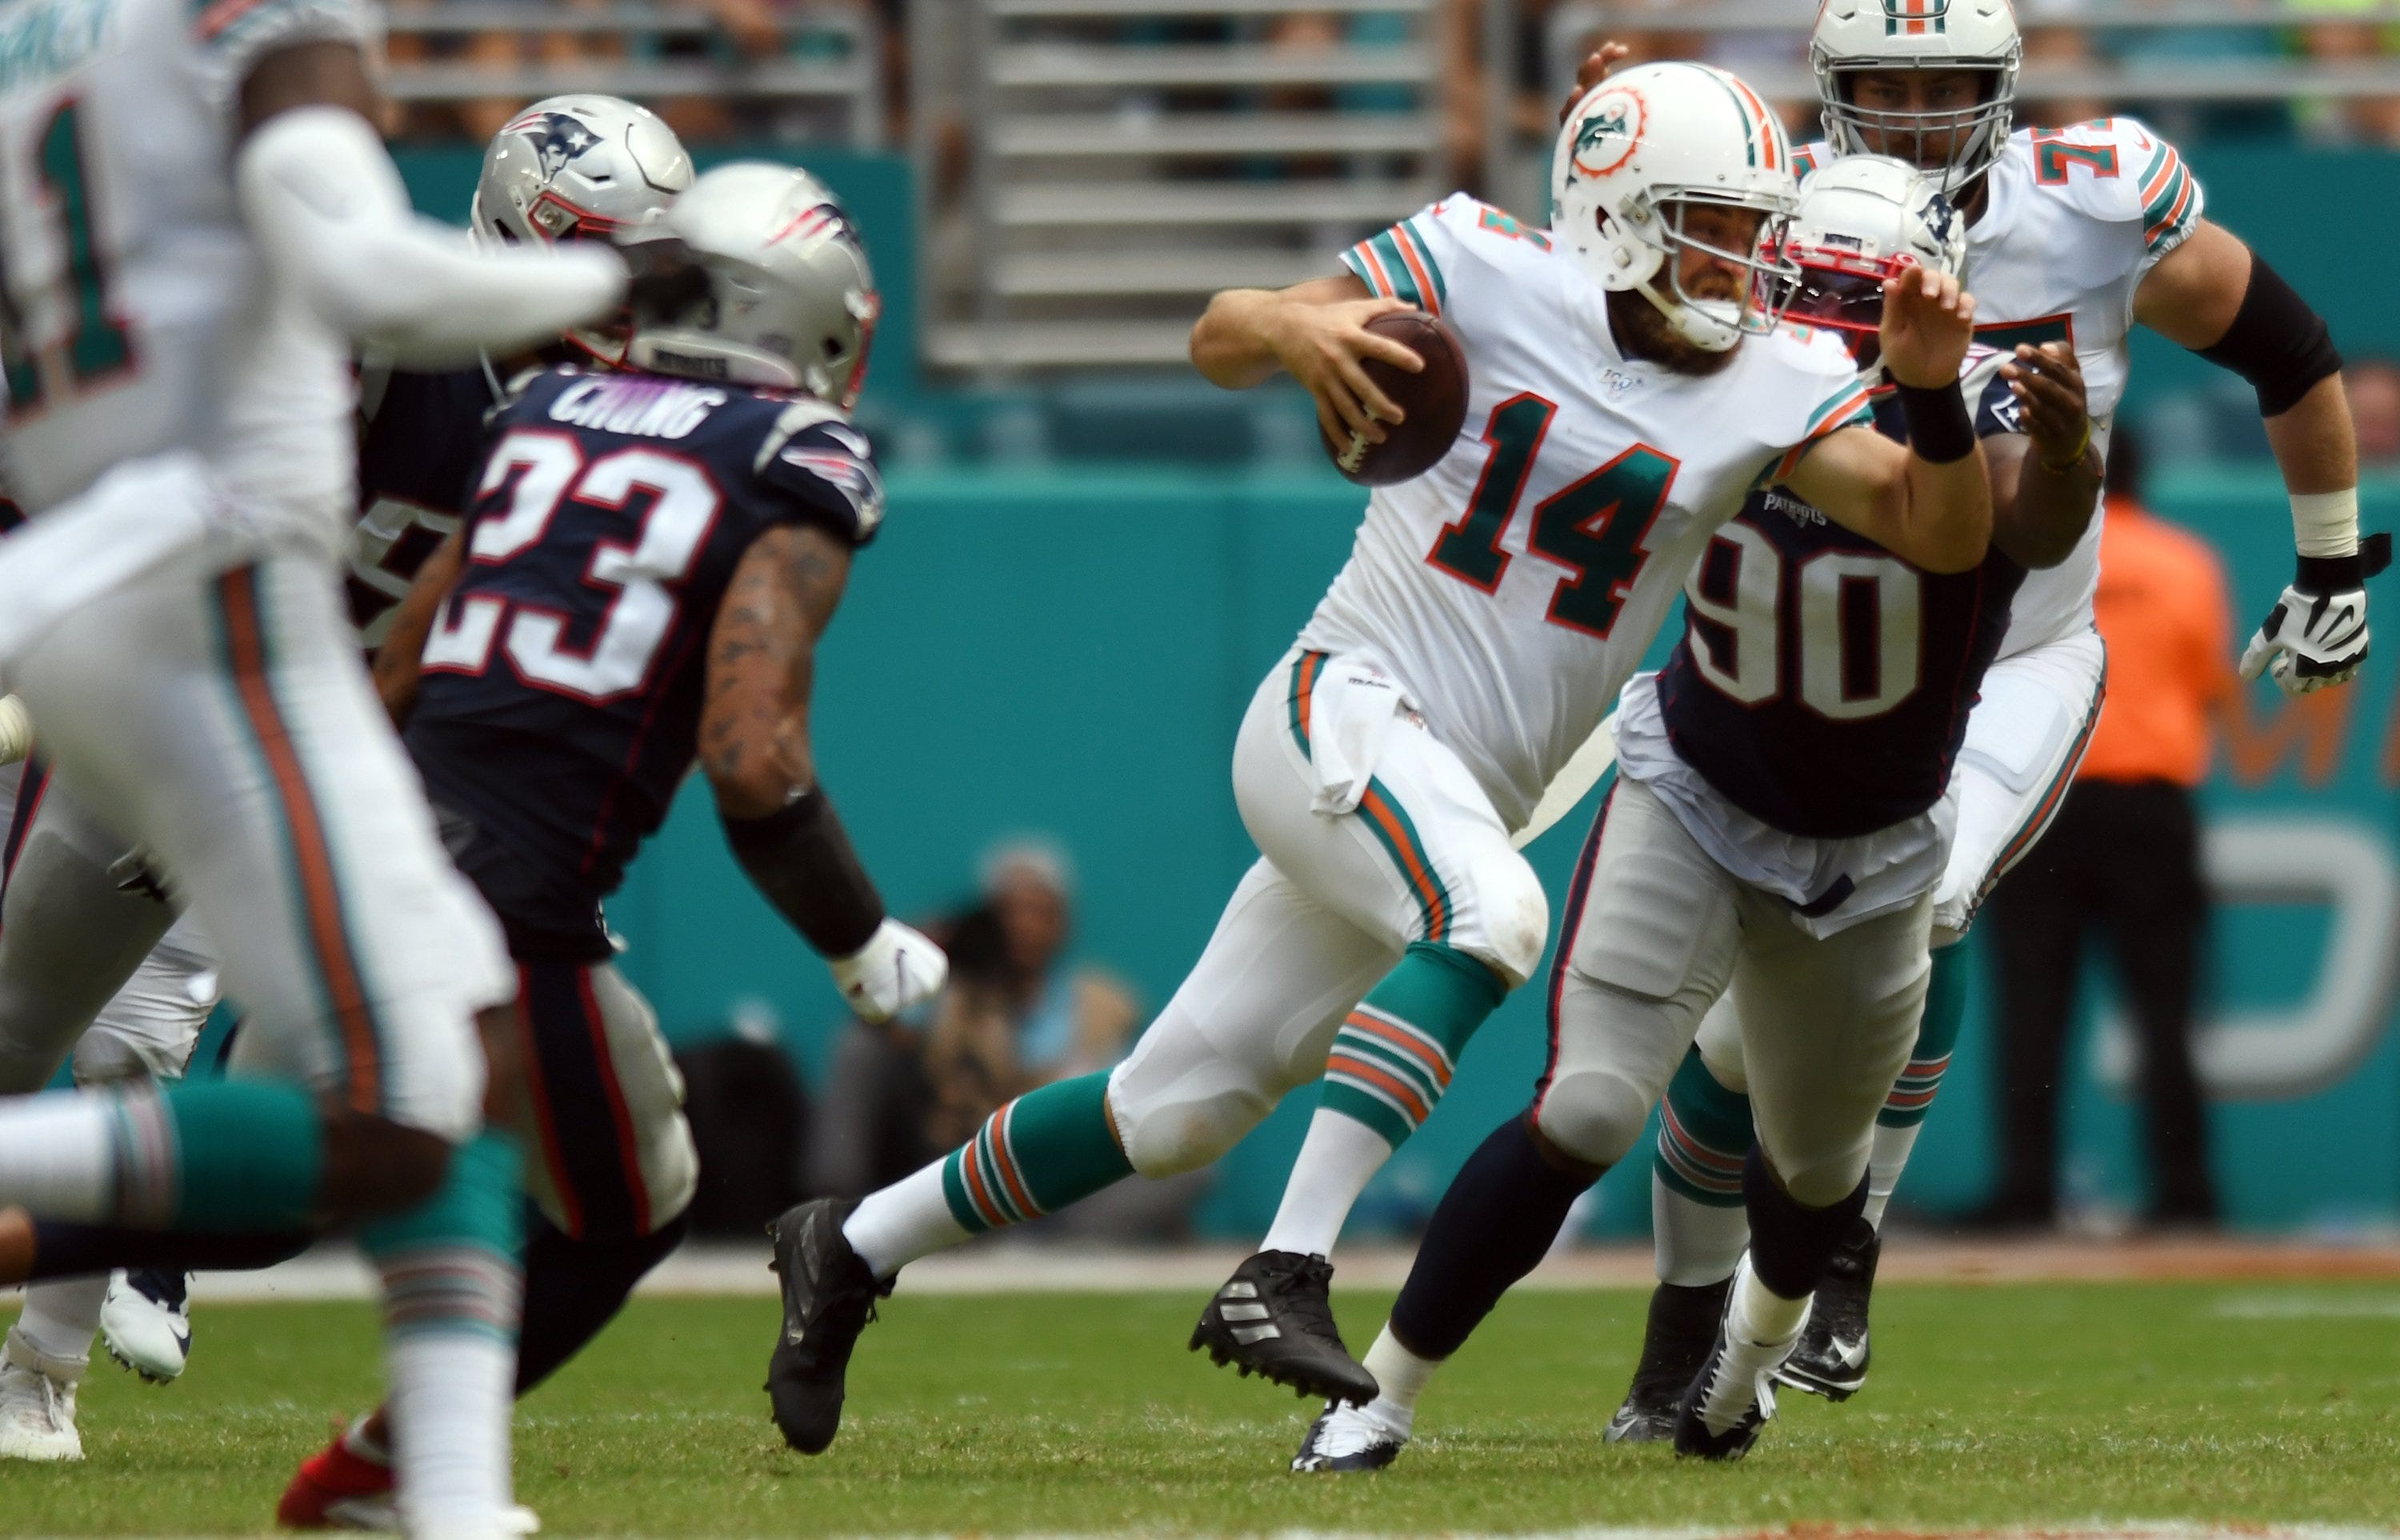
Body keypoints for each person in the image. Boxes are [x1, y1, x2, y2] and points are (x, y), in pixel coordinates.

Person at [758, 58, 1994, 1454]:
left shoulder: (1780, 376)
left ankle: (850, 1244)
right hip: (1341, 707)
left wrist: (1939, 400)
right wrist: (1297, 331)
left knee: (1175, 1109)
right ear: (1617, 214)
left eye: (1751, 224)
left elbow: (1937, 531)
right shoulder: (1478, 261)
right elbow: (1223, 331)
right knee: (1496, 918)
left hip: (1461, 790)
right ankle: (1286, 1268)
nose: (1744, 256)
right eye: (1711, 221)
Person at [1553, 0, 2383, 1420]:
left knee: (1927, 903)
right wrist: (1611, 150)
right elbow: (1608, 302)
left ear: (2006, 89)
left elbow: (2293, 354)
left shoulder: (2097, 200)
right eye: (1891, 83)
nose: (1925, 110)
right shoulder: (1778, 201)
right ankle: (1683, 1317)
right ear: (1833, 90)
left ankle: (1846, 1254)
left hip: (2020, 657)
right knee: (1738, 1040)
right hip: (1822, 664)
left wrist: (2331, 558)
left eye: (1952, 83)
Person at [1294, 153, 2103, 1472]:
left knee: (1820, 1171)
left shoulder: (1983, 389)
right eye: (1795, 272)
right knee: (1590, 1109)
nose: (1799, 307)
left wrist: (2007, 422)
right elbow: (1583, 305)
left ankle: (1742, 1366)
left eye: (1846, 290)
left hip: (1873, 847)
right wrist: (1594, 140)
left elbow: (2020, 517)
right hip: (1696, 782)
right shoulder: (1731, 363)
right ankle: (1377, 1394)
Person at [0, 1, 628, 1531]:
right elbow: (366, 275)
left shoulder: (89, 62)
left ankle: (421, 1489)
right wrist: (635, 273)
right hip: (214, 630)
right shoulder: (280, 43)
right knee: (404, 1079)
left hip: (202, 639)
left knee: (405, 1062)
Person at [278, 162, 946, 1529]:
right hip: (514, 901)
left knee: (564, 1180)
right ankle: (395, 1474)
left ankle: (388, 1470)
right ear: (812, 317)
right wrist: (860, 940)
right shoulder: (790, 456)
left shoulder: (545, 407)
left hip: (389, 855)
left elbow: (402, 663)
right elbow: (753, 760)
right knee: (560, 1203)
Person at [1979, 428, 2228, 1230]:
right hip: (2147, 804)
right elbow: (2207, 680)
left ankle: (2028, 1190)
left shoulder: (2031, 562)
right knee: (2166, 1007)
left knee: (2031, 1005)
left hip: (2041, 796)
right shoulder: (2184, 560)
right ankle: (2184, 1191)